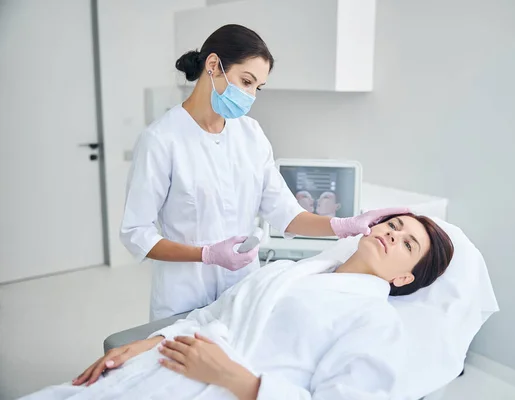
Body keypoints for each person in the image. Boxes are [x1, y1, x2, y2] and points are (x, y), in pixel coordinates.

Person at [119, 24, 409, 321]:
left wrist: (346, 225)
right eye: (246, 81)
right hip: (183, 298)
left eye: (257, 87)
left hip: (243, 294)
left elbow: (287, 215)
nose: (250, 96)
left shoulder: (251, 135)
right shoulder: (161, 140)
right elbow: (136, 234)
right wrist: (205, 254)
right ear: (213, 65)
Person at [23, 213, 454, 399]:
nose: (392, 235)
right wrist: (145, 344)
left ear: (404, 278)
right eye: (393, 225)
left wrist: (234, 379)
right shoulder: (290, 270)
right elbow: (213, 315)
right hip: (171, 361)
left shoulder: (377, 323)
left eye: (407, 243)